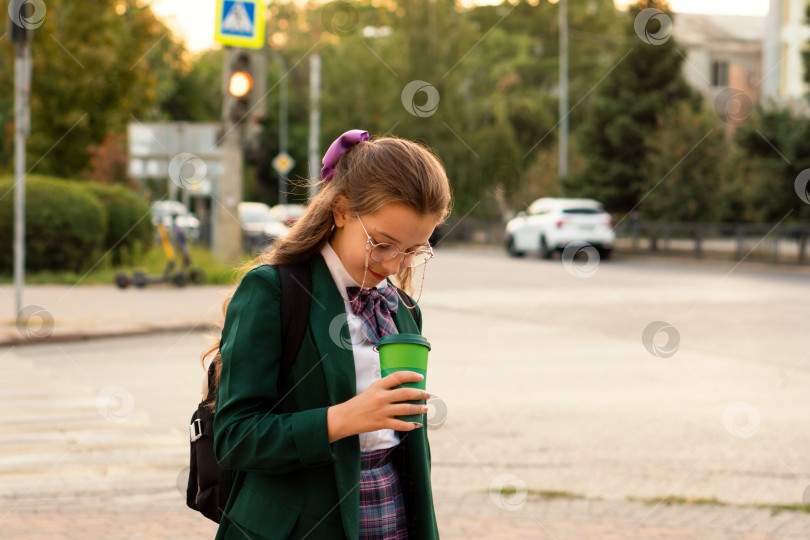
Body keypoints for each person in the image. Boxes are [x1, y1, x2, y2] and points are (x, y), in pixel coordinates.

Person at [207, 129, 452, 540]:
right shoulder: (273, 292)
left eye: (414, 250)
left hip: (391, 516)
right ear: (341, 210)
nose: (394, 265)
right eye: (384, 244)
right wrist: (342, 419)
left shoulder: (403, 310)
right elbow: (234, 439)